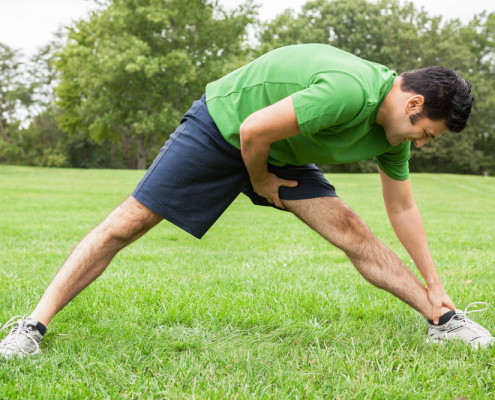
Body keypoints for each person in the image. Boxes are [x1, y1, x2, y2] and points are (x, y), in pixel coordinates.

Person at [1, 43, 492, 358]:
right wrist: (259, 183)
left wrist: (435, 282)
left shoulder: (394, 138)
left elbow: (402, 208)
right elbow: (254, 129)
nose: (421, 144)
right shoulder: (349, 91)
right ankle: (31, 326)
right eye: (425, 133)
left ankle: (443, 320)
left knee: (351, 230)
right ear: (413, 104)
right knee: (127, 224)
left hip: (281, 146)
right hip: (225, 127)